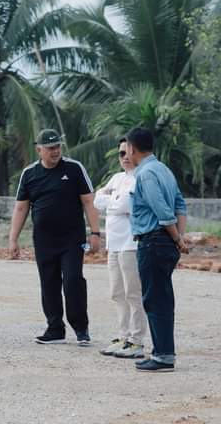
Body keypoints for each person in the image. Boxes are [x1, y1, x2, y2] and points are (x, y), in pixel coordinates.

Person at [9, 129, 100, 346]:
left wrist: (95, 233)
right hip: (44, 239)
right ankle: (55, 328)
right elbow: (21, 208)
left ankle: (81, 328)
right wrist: (13, 239)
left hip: (72, 238)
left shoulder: (74, 168)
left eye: (58, 147)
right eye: (50, 148)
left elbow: (89, 202)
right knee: (48, 282)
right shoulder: (29, 174)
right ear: (39, 150)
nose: (55, 151)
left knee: (73, 280)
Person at [125, 127, 188, 372]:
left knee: (155, 299)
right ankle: (163, 352)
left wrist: (176, 238)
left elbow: (162, 210)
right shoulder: (164, 170)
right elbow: (180, 204)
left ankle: (163, 356)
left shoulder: (146, 173)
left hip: (154, 241)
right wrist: (179, 237)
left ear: (132, 148)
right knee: (162, 297)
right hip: (164, 241)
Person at [94, 138, 146, 359]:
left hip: (131, 244)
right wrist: (114, 203)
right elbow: (97, 200)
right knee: (116, 293)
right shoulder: (117, 178)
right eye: (120, 153)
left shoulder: (140, 177)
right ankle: (123, 336)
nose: (124, 157)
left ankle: (136, 340)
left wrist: (112, 202)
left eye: (127, 152)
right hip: (113, 245)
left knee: (133, 293)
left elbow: (126, 205)